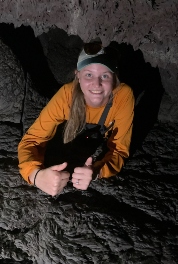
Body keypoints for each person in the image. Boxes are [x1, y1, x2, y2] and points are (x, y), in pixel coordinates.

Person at [18, 39, 135, 196]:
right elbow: (31, 141)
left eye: (105, 76)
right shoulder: (67, 95)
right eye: (88, 74)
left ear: (115, 79)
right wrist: (36, 176)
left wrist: (96, 172)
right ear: (78, 76)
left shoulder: (123, 96)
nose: (97, 84)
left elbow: (120, 150)